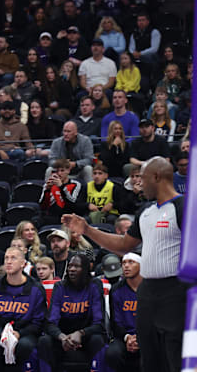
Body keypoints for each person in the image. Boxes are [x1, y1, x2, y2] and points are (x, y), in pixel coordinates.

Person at [63, 156, 186, 372]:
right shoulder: (146, 212)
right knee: (150, 357)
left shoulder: (184, 206)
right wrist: (88, 230)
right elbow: (123, 246)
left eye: (143, 178)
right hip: (148, 291)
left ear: (157, 177)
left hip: (176, 289)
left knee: (176, 355)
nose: (139, 184)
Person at [0, 248, 47, 371]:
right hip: (0, 333)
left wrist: (19, 334)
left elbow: (38, 323)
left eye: (13, 258)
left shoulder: (36, 289)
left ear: (23, 263)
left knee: (25, 346)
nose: (8, 261)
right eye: (6, 258)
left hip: (25, 333)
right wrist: (2, 334)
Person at [38, 254, 105, 370]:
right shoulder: (60, 286)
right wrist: (62, 337)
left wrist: (80, 333)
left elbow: (99, 322)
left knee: (97, 339)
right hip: (63, 337)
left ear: (85, 269)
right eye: (69, 266)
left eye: (76, 266)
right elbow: (51, 322)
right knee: (44, 340)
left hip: (86, 335)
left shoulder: (94, 285)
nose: (72, 269)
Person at [105, 253, 142, 371]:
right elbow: (115, 321)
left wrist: (140, 338)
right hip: (124, 336)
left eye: (131, 262)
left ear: (141, 265)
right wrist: (127, 338)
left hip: (147, 336)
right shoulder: (116, 290)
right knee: (113, 353)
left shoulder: (150, 288)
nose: (126, 266)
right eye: (124, 263)